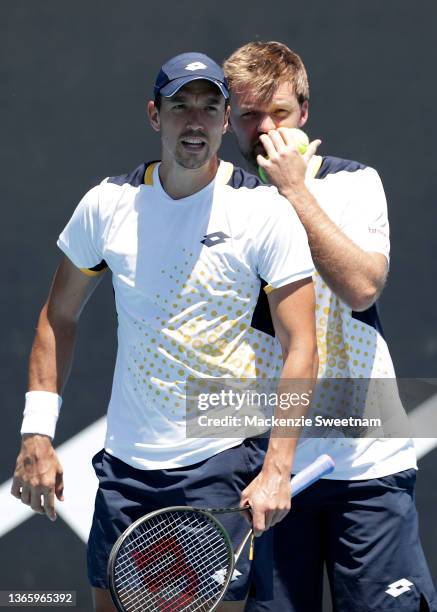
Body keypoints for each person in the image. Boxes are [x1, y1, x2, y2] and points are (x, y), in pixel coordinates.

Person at [11, 52, 318, 612]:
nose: (194, 121)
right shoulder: (108, 205)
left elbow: (302, 345)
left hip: (220, 461)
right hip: (125, 469)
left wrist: (277, 468)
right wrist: (36, 433)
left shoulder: (264, 213)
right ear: (155, 115)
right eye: (181, 106)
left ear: (227, 121)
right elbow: (58, 317)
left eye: (209, 107)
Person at [223, 41, 437, 611]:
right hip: (266, 476)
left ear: (306, 112)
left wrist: (294, 191)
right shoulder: (214, 203)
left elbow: (363, 286)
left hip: (368, 464)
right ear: (226, 121)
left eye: (280, 114)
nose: (265, 131)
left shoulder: (354, 183)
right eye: (248, 116)